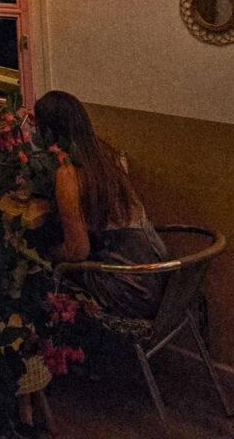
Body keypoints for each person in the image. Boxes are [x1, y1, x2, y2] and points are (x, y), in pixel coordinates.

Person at [33, 90, 167, 318]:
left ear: (46, 133)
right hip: (158, 276)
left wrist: (46, 254)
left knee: (36, 269)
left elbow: (77, 251)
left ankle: (60, 348)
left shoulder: (69, 173)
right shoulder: (105, 154)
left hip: (128, 288)